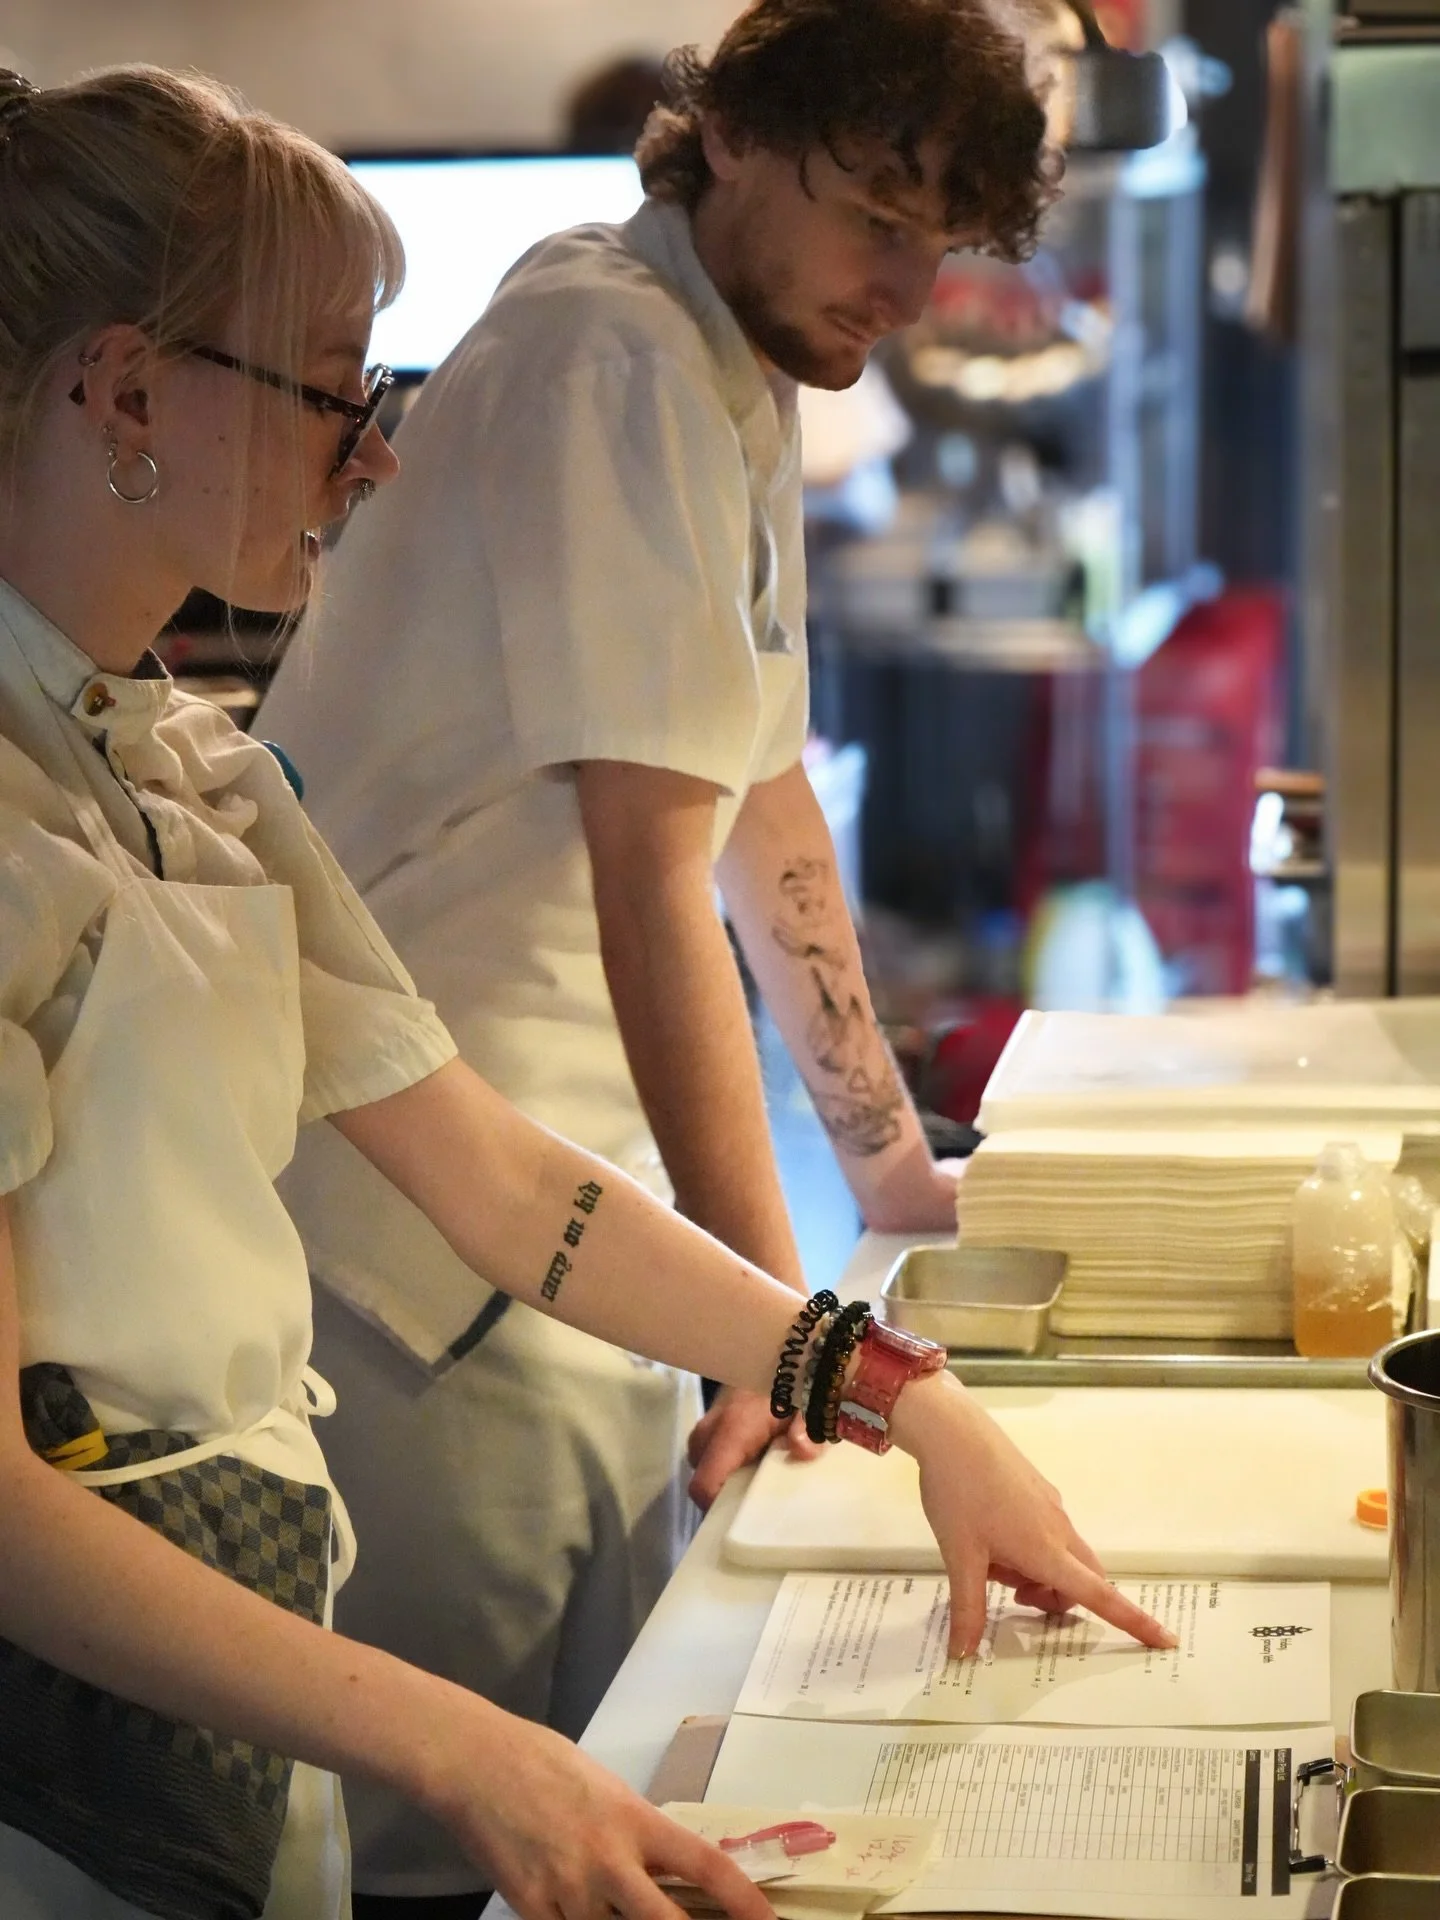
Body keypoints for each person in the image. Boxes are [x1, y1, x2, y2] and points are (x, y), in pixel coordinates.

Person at [0, 58, 1166, 1920]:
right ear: (127, 390)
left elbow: (496, 1175)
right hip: (84, 1764)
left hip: (260, 1619)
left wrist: (893, 1385)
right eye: (330, 386)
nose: (374, 451)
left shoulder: (186, 772)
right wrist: (466, 1748)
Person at [257, 0, 1062, 1907]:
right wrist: (799, 1350)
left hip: (563, 1221)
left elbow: (758, 795)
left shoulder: (728, 355)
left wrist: (887, 1178)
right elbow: (649, 876)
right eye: (881, 208)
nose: (911, 281)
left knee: (601, 1803)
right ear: (739, 137)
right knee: (473, 1849)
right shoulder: (606, 350)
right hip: (422, 1257)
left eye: (943, 235)